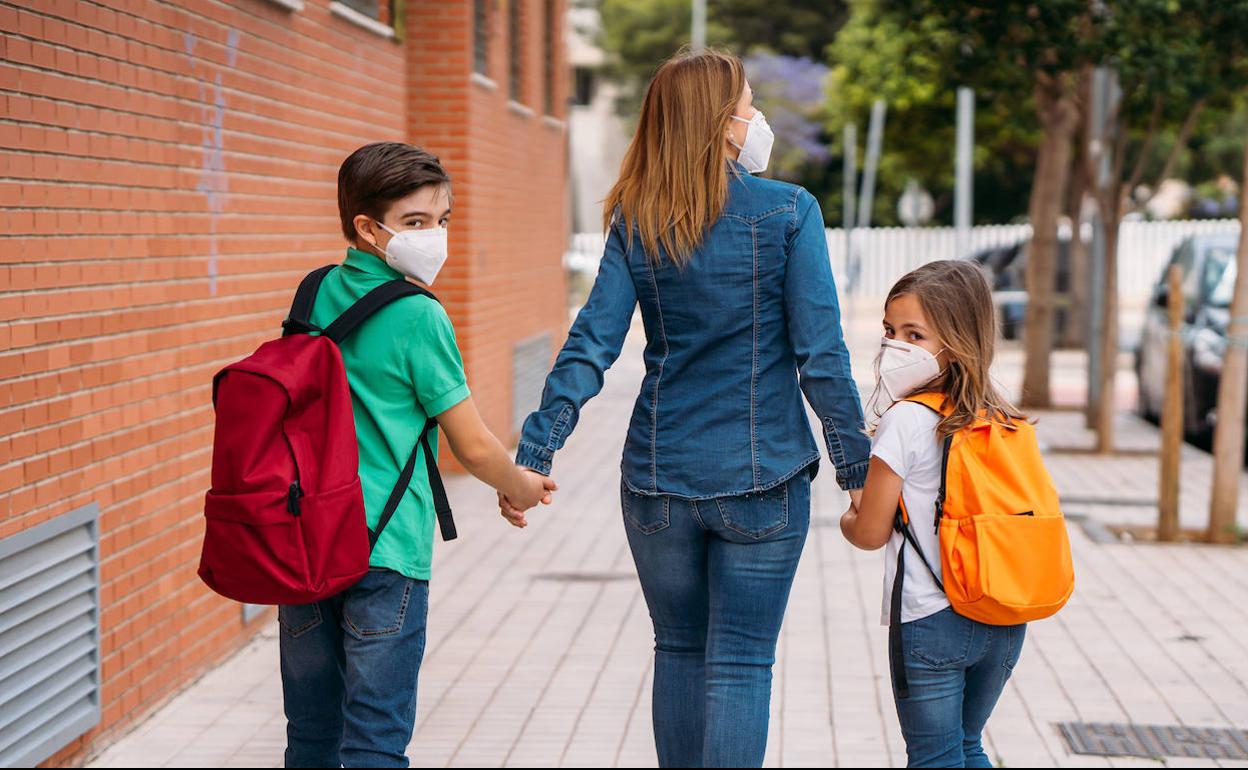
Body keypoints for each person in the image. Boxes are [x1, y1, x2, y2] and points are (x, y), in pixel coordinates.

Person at [503, 50, 870, 767]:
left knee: (677, 649)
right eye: (746, 106)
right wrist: (855, 466)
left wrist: (535, 452)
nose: (754, 117)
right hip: (763, 481)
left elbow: (591, 345)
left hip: (657, 478)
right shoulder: (790, 211)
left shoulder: (638, 220)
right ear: (721, 125)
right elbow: (820, 352)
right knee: (738, 663)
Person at [279, 142, 556, 768]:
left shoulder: (312, 293)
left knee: (311, 734)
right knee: (375, 740)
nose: (434, 237)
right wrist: (522, 486)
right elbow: (475, 443)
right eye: (415, 223)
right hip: (384, 549)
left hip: (302, 539)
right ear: (367, 228)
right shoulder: (418, 316)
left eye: (441, 221)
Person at [840, 260, 1029, 768]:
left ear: (956, 340)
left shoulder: (905, 420)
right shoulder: (1004, 418)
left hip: (931, 616)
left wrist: (848, 513)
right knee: (967, 748)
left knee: (935, 757)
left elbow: (870, 533)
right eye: (889, 331)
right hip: (1004, 613)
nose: (895, 345)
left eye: (914, 335)